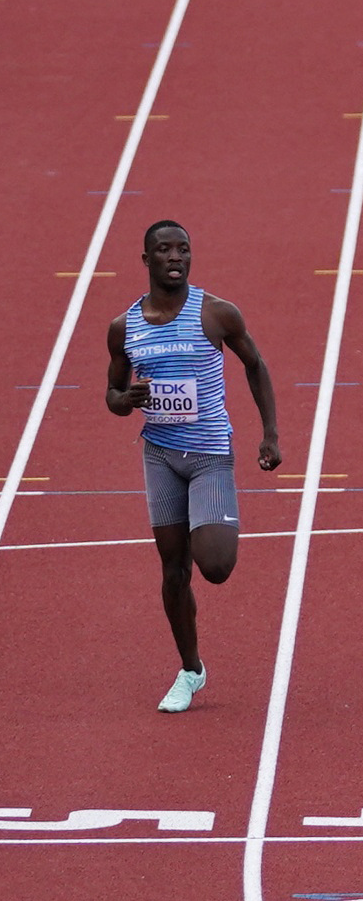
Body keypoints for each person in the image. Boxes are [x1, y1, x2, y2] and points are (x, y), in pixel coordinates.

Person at [106, 220, 281, 713]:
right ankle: (190, 671)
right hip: (159, 454)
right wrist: (127, 399)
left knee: (217, 567)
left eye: (183, 249)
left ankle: (215, 524)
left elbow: (256, 364)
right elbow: (112, 395)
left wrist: (269, 433)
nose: (175, 257)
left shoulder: (217, 313)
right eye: (164, 250)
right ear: (147, 261)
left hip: (208, 455)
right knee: (173, 569)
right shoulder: (125, 327)